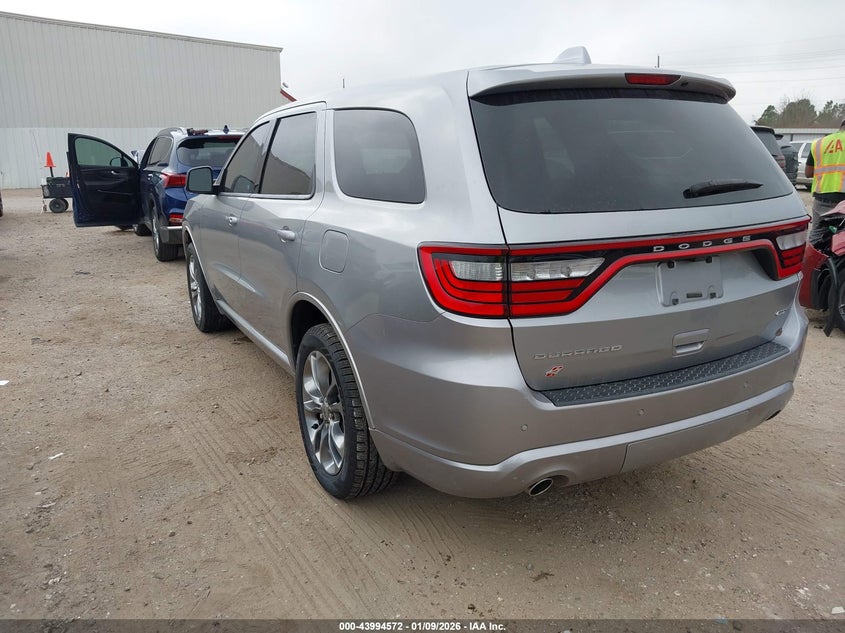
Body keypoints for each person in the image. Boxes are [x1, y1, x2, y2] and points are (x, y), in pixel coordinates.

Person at [805, 119, 845, 241]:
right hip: (843, 200)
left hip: (822, 199)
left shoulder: (820, 143)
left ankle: (812, 259)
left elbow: (808, 173)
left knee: (817, 235)